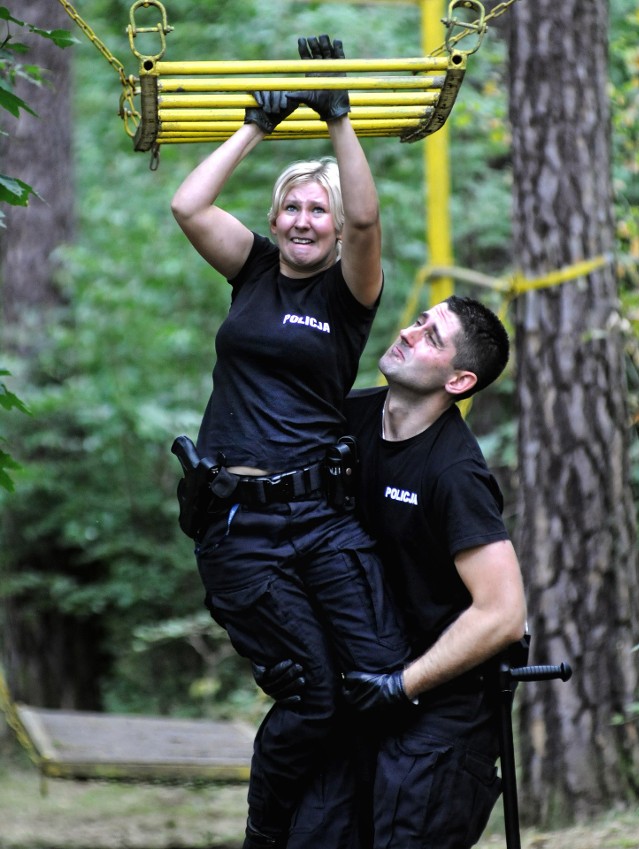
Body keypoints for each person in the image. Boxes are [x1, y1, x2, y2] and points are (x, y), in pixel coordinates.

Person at [170, 34, 409, 849]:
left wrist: (336, 113)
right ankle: (269, 837)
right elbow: (189, 206)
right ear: (276, 218)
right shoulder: (255, 270)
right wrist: (256, 129)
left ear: (339, 230)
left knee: (373, 683)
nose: (306, 219)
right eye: (294, 206)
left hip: (322, 519)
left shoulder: (351, 292)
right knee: (312, 694)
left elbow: (373, 214)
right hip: (241, 528)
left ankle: (363, 827)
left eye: (321, 210)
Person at [261, 295, 528, 849]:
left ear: (458, 381)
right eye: (418, 321)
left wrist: (401, 685)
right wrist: (284, 653)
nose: (409, 332)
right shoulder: (345, 420)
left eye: (432, 337)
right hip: (358, 686)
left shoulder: (453, 472)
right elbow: (288, 547)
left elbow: (503, 615)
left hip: (444, 711)